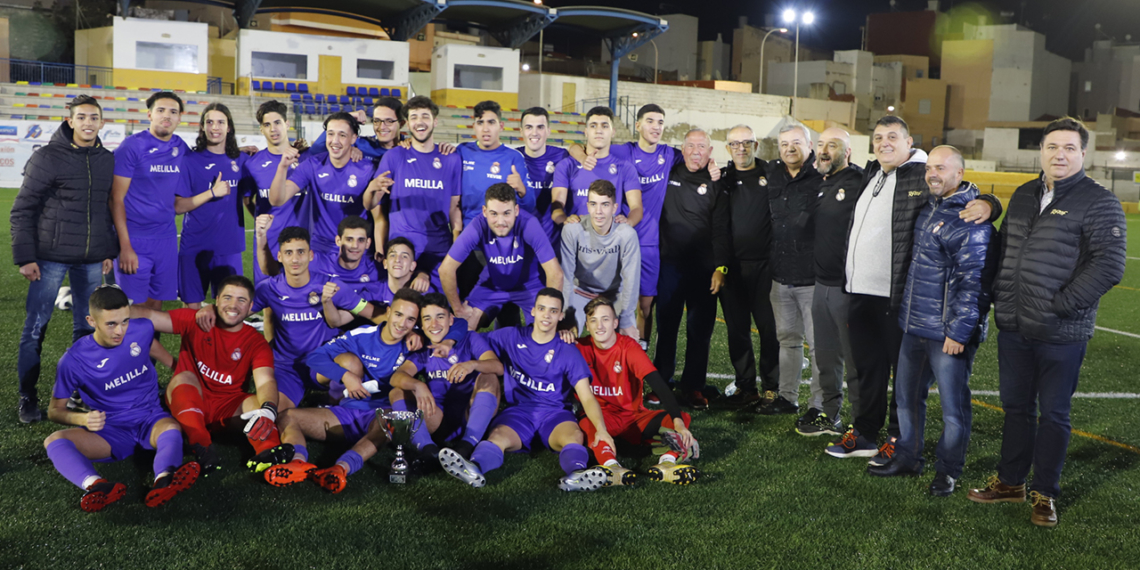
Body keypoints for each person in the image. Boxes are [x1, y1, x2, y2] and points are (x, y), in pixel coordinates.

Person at [968, 118, 1127, 527]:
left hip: (1061, 331)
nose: (1060, 154)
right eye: (1053, 146)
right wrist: (999, 299)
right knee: (1016, 408)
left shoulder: (1099, 201)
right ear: (1041, 150)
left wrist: (1062, 304)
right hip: (1015, 326)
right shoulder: (1023, 194)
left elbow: (1109, 265)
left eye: (1069, 148)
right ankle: (1010, 482)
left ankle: (1045, 494)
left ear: (1083, 154)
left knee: (1054, 414)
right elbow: (1004, 252)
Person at [825, 116, 1000, 463]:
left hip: (897, 295)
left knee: (902, 379)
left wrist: (990, 203)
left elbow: (955, 188)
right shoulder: (871, 173)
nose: (884, 142)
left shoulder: (919, 173)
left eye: (893, 136)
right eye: (878, 137)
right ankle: (864, 433)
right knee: (866, 369)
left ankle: (897, 437)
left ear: (909, 143)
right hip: (860, 291)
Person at [868, 146, 995, 499]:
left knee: (953, 410)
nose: (932, 174)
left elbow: (974, 283)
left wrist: (958, 332)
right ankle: (908, 457)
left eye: (941, 168)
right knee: (907, 400)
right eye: (929, 169)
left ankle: (948, 471)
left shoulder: (971, 220)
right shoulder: (928, 208)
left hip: (946, 335)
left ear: (960, 173)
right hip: (914, 326)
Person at [437, 288, 613, 491]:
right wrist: (451, 343)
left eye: (553, 311)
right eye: (542, 309)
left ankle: (577, 475)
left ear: (561, 315)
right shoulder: (511, 336)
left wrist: (601, 430)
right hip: (519, 412)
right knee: (498, 437)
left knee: (574, 437)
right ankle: (474, 468)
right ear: (533, 311)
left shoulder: (568, 350)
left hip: (554, 413)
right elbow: (467, 334)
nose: (546, 315)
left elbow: (586, 396)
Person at [42, 286, 199, 512]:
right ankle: (97, 486)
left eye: (125, 321)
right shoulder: (74, 361)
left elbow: (151, 347)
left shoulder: (141, 329)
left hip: (150, 418)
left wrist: (179, 369)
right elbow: (54, 411)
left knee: (171, 428)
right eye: (111, 324)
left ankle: (164, 480)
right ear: (91, 321)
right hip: (111, 430)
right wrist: (82, 420)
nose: (120, 331)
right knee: (54, 441)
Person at [13, 94, 116, 423]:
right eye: (82, 117)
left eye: (94, 117)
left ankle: (79, 394)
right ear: (70, 120)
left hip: (90, 261)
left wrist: (106, 251)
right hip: (49, 258)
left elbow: (105, 210)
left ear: (101, 122)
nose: (88, 122)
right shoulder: (47, 157)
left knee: (86, 332)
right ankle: (28, 396)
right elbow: (22, 210)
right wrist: (25, 257)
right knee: (35, 330)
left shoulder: (106, 159)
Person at [263, 289, 423, 493]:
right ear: (389, 311)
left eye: (410, 319)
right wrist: (346, 376)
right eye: (399, 315)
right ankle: (298, 462)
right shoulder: (362, 335)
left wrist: (422, 335)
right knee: (287, 417)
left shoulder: (416, 344)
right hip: (344, 413)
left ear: (416, 323)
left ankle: (340, 468)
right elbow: (314, 358)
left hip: (380, 416)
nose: (402, 324)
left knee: (389, 425)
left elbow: (458, 326)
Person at [131, 275, 291, 476]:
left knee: (259, 404)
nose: (233, 305)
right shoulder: (196, 320)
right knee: (183, 377)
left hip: (228, 409)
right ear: (216, 300)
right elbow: (150, 317)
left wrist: (268, 410)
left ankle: (268, 453)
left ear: (250, 306)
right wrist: (115, 308)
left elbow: (266, 380)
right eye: (228, 298)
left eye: (241, 300)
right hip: (190, 400)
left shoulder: (255, 341)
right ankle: (203, 446)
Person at [575, 297, 699, 486]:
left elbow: (658, 385)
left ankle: (666, 463)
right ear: (587, 325)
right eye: (594, 320)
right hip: (601, 417)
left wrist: (679, 424)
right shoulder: (578, 348)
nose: (599, 326)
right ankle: (612, 468)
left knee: (680, 418)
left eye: (605, 319)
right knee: (590, 424)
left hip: (633, 417)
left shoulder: (629, 347)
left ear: (615, 323)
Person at [252, 220, 374, 407]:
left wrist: (402, 328)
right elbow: (235, 313)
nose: (295, 259)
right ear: (279, 256)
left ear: (310, 255)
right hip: (286, 367)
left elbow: (370, 312)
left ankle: (332, 405)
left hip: (323, 361)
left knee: (351, 364)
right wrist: (209, 312)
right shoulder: (268, 289)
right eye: (289, 253)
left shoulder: (330, 285)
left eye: (301, 252)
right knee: (275, 412)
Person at [654, 129, 730, 410]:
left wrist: (721, 267)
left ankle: (694, 387)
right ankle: (662, 383)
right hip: (670, 267)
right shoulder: (668, 173)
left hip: (703, 270)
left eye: (702, 147)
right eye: (690, 146)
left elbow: (722, 228)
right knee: (667, 328)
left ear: (711, 152)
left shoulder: (717, 183)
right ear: (681, 149)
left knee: (700, 332)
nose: (696, 151)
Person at [755, 122, 823, 419]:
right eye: (784, 144)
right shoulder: (771, 173)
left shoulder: (823, 174)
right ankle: (787, 397)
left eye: (796, 142)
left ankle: (820, 405)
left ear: (809, 145)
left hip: (813, 279)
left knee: (820, 348)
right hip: (780, 277)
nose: (790, 148)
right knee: (788, 341)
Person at [800, 127, 863, 437]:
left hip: (847, 287)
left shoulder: (860, 181)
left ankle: (863, 423)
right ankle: (831, 415)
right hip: (820, 286)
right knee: (826, 357)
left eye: (833, 145)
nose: (824, 150)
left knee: (854, 359)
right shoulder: (822, 183)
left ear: (847, 151)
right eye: (821, 144)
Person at [388, 293, 503, 460]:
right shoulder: (424, 347)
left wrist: (472, 364)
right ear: (421, 323)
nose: (434, 324)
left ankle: (467, 445)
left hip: (470, 413)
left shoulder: (469, 338)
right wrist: (417, 385)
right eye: (427, 319)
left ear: (451, 320)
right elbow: (397, 377)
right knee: (397, 392)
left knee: (490, 377)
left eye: (440, 317)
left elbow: (497, 366)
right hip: (437, 416)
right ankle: (428, 451)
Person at [439, 183, 564, 330]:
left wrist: (549, 311)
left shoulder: (529, 223)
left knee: (544, 330)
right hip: (492, 284)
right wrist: (458, 308)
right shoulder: (477, 225)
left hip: (529, 286)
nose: (500, 222)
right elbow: (446, 269)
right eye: (494, 214)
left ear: (516, 210)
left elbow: (555, 274)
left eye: (506, 213)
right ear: (484, 211)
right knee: (464, 327)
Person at [717, 124, 779, 408]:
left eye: (746, 143)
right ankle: (745, 386)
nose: (740, 148)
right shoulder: (724, 179)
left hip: (767, 268)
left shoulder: (772, 173)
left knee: (769, 329)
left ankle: (771, 388)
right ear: (728, 148)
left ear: (756, 146)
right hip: (732, 269)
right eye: (735, 144)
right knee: (737, 330)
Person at [111, 91, 190, 309]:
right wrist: (125, 246)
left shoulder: (180, 146)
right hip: (135, 239)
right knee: (134, 308)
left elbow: (203, 162)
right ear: (149, 115)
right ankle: (134, 345)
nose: (167, 116)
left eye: (173, 112)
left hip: (165, 239)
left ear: (179, 118)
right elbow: (116, 199)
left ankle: (149, 344)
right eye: (161, 110)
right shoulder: (131, 146)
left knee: (156, 305)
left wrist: (234, 152)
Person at [372, 95, 462, 285]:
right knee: (403, 310)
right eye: (414, 117)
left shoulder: (451, 158)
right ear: (408, 123)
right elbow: (375, 206)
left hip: (438, 250)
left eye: (425, 116)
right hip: (401, 250)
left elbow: (454, 209)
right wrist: (381, 246)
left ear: (435, 121)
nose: (419, 122)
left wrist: (457, 247)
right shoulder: (394, 155)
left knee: (437, 311)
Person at [269, 111, 385, 256]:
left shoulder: (367, 169)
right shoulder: (313, 164)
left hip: (355, 251)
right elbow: (276, 199)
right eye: (330, 134)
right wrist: (282, 167)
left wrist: (380, 251)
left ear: (354, 138)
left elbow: (378, 216)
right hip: (320, 251)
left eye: (342, 135)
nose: (334, 141)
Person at [176, 102, 246, 309]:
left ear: (229, 127)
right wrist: (211, 193)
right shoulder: (189, 160)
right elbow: (178, 206)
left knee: (229, 309)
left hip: (229, 247)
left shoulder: (241, 160)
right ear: (202, 127)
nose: (215, 127)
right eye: (209, 122)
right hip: (195, 245)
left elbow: (251, 199)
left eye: (220, 122)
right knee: (192, 310)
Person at [559, 179, 640, 337]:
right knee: (565, 337)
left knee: (629, 338)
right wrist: (567, 312)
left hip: (613, 294)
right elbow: (566, 276)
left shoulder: (627, 234)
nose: (599, 211)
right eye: (594, 204)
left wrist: (625, 321)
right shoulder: (572, 230)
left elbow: (632, 279)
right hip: (580, 292)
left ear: (614, 208)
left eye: (605, 204)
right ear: (588, 206)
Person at [242, 100, 310, 284]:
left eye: (277, 122)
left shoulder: (306, 159)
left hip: (301, 243)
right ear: (261, 129)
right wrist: (261, 220)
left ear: (287, 124)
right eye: (267, 124)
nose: (273, 129)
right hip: (268, 244)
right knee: (269, 303)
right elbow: (247, 200)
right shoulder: (253, 164)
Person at [550, 106, 642, 229]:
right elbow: (557, 206)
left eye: (604, 126)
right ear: (586, 132)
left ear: (613, 132)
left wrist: (628, 222)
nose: (599, 130)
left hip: (611, 240)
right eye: (593, 126)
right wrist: (566, 222)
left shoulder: (625, 167)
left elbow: (636, 207)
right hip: (577, 238)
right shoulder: (566, 165)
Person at [457, 100, 531, 223]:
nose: (485, 129)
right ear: (474, 126)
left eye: (491, 122)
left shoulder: (514, 157)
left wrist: (522, 190)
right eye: (480, 123)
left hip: (502, 228)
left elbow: (530, 206)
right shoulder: (462, 151)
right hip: (470, 227)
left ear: (501, 126)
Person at [516, 107, 570, 249]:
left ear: (548, 131)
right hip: (520, 241)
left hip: (553, 243)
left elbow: (579, 148)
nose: (534, 133)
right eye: (529, 127)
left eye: (540, 127)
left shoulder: (562, 156)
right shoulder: (512, 158)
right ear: (521, 132)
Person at [310, 98, 404, 161]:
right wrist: (347, 117)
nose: (382, 127)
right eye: (377, 121)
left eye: (389, 121)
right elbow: (316, 150)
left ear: (401, 123)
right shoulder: (362, 144)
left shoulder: (410, 147)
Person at [309, 216, 380, 294]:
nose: (355, 246)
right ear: (338, 241)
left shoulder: (376, 271)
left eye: (361, 240)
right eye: (349, 239)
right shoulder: (315, 263)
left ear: (368, 243)